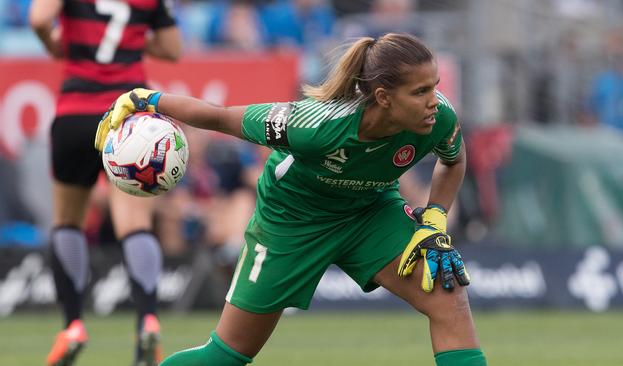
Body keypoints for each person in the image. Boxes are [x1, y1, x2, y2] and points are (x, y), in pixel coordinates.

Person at [95, 33, 486, 366]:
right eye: (421, 91)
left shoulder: (440, 118)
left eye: (434, 86)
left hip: (368, 212)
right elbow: (219, 117)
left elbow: (453, 162)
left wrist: (434, 219)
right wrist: (147, 99)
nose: (435, 100)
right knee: (226, 355)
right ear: (383, 97)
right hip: (290, 220)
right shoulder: (314, 125)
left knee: (448, 296)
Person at [28, 0, 181, 365]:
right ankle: (147, 318)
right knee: (136, 224)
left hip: (75, 113)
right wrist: (134, 37)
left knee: (67, 221)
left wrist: (54, 44)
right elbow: (173, 49)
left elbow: (38, 18)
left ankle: (73, 326)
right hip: (128, 115)